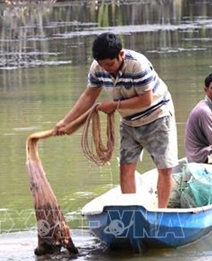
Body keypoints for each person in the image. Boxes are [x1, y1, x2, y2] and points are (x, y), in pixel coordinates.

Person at [54, 32, 178, 208]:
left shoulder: (137, 64)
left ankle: (161, 212)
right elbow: (89, 95)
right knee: (126, 168)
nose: (107, 69)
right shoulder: (97, 68)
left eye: (110, 64)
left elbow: (146, 100)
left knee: (164, 168)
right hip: (128, 120)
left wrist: (115, 105)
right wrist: (65, 121)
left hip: (157, 115)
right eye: (103, 65)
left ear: (120, 55)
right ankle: (132, 211)